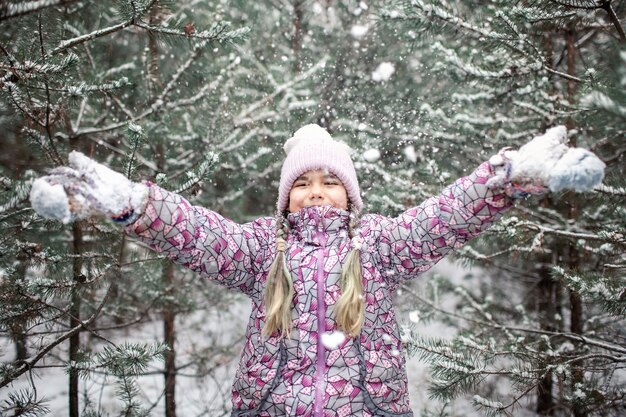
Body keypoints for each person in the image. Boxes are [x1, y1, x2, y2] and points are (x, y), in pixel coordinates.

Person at [30, 124, 605, 416]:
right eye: (302, 183)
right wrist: (135, 202)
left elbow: (444, 217)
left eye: (330, 181)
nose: (317, 192)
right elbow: (197, 233)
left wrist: (501, 179)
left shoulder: (379, 246)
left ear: (350, 193)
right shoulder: (261, 251)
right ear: (285, 198)